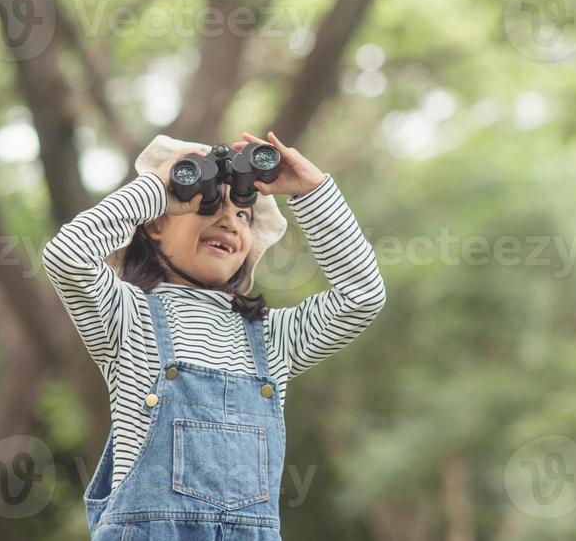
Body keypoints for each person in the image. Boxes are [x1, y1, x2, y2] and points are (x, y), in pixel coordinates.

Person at [42, 130, 387, 539]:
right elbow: (66, 255)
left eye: (244, 214)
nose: (228, 220)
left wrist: (311, 193)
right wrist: (156, 188)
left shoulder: (272, 337)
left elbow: (362, 296)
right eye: (206, 205)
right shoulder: (127, 316)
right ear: (153, 225)